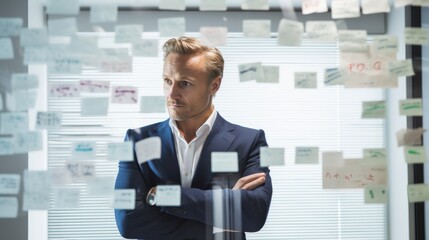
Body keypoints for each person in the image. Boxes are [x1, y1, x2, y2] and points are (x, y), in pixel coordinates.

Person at [114, 36, 273, 240]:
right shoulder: (137, 140)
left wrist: (164, 196)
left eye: (185, 83)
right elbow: (128, 222)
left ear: (214, 85)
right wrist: (225, 212)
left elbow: (254, 215)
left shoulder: (251, 141)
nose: (172, 94)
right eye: (167, 81)